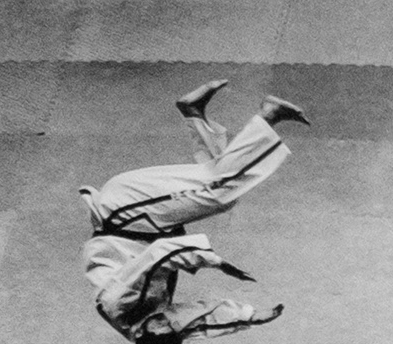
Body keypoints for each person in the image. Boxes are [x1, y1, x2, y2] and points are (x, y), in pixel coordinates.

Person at [78, 78, 307, 239]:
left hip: (121, 211)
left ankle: (269, 114)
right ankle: (193, 113)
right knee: (215, 180)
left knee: (218, 189)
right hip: (124, 206)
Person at [83, 230, 281, 344]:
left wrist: (218, 263)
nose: (167, 322)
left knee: (220, 195)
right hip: (135, 251)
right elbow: (201, 324)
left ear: (141, 333)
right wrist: (250, 316)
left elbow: (160, 253)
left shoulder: (123, 299)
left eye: (162, 325)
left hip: (115, 238)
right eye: (171, 327)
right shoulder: (158, 332)